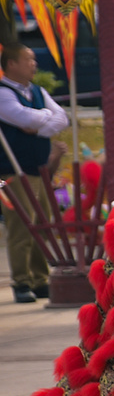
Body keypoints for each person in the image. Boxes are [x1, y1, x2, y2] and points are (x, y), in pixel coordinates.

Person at [0, 44, 68, 303]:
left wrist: (38, 127)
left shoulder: (38, 91)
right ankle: (21, 281)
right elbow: (21, 117)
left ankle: (40, 279)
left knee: (42, 225)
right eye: (28, 59)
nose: (34, 64)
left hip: (37, 170)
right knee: (21, 225)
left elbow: (62, 119)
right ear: (12, 64)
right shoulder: (3, 93)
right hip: (10, 173)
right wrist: (43, 119)